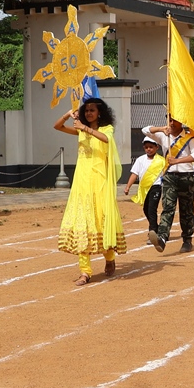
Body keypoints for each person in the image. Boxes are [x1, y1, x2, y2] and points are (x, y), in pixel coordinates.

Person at [55, 97, 127, 284]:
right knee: (82, 223)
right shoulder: (80, 130)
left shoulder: (105, 129)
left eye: (92, 110)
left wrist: (85, 128)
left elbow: (106, 139)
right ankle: (85, 271)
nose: (88, 113)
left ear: (99, 112)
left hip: (100, 182)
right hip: (82, 183)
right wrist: (68, 115)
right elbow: (57, 127)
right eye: (86, 110)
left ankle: (110, 258)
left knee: (101, 222)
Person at [145, 116, 194, 254]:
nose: (171, 123)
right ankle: (162, 238)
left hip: (187, 177)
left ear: (181, 121)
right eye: (169, 120)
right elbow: (145, 130)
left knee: (186, 210)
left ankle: (187, 240)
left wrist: (177, 161)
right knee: (168, 207)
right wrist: (161, 129)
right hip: (170, 176)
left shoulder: (189, 138)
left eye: (174, 120)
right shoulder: (164, 136)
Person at [125, 136, 165, 233]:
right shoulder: (140, 160)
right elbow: (134, 174)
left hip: (156, 187)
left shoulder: (161, 161)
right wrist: (128, 187)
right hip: (144, 188)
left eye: (151, 147)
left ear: (157, 147)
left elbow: (165, 174)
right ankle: (155, 226)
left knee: (152, 209)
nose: (149, 149)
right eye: (146, 147)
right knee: (146, 209)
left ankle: (153, 231)